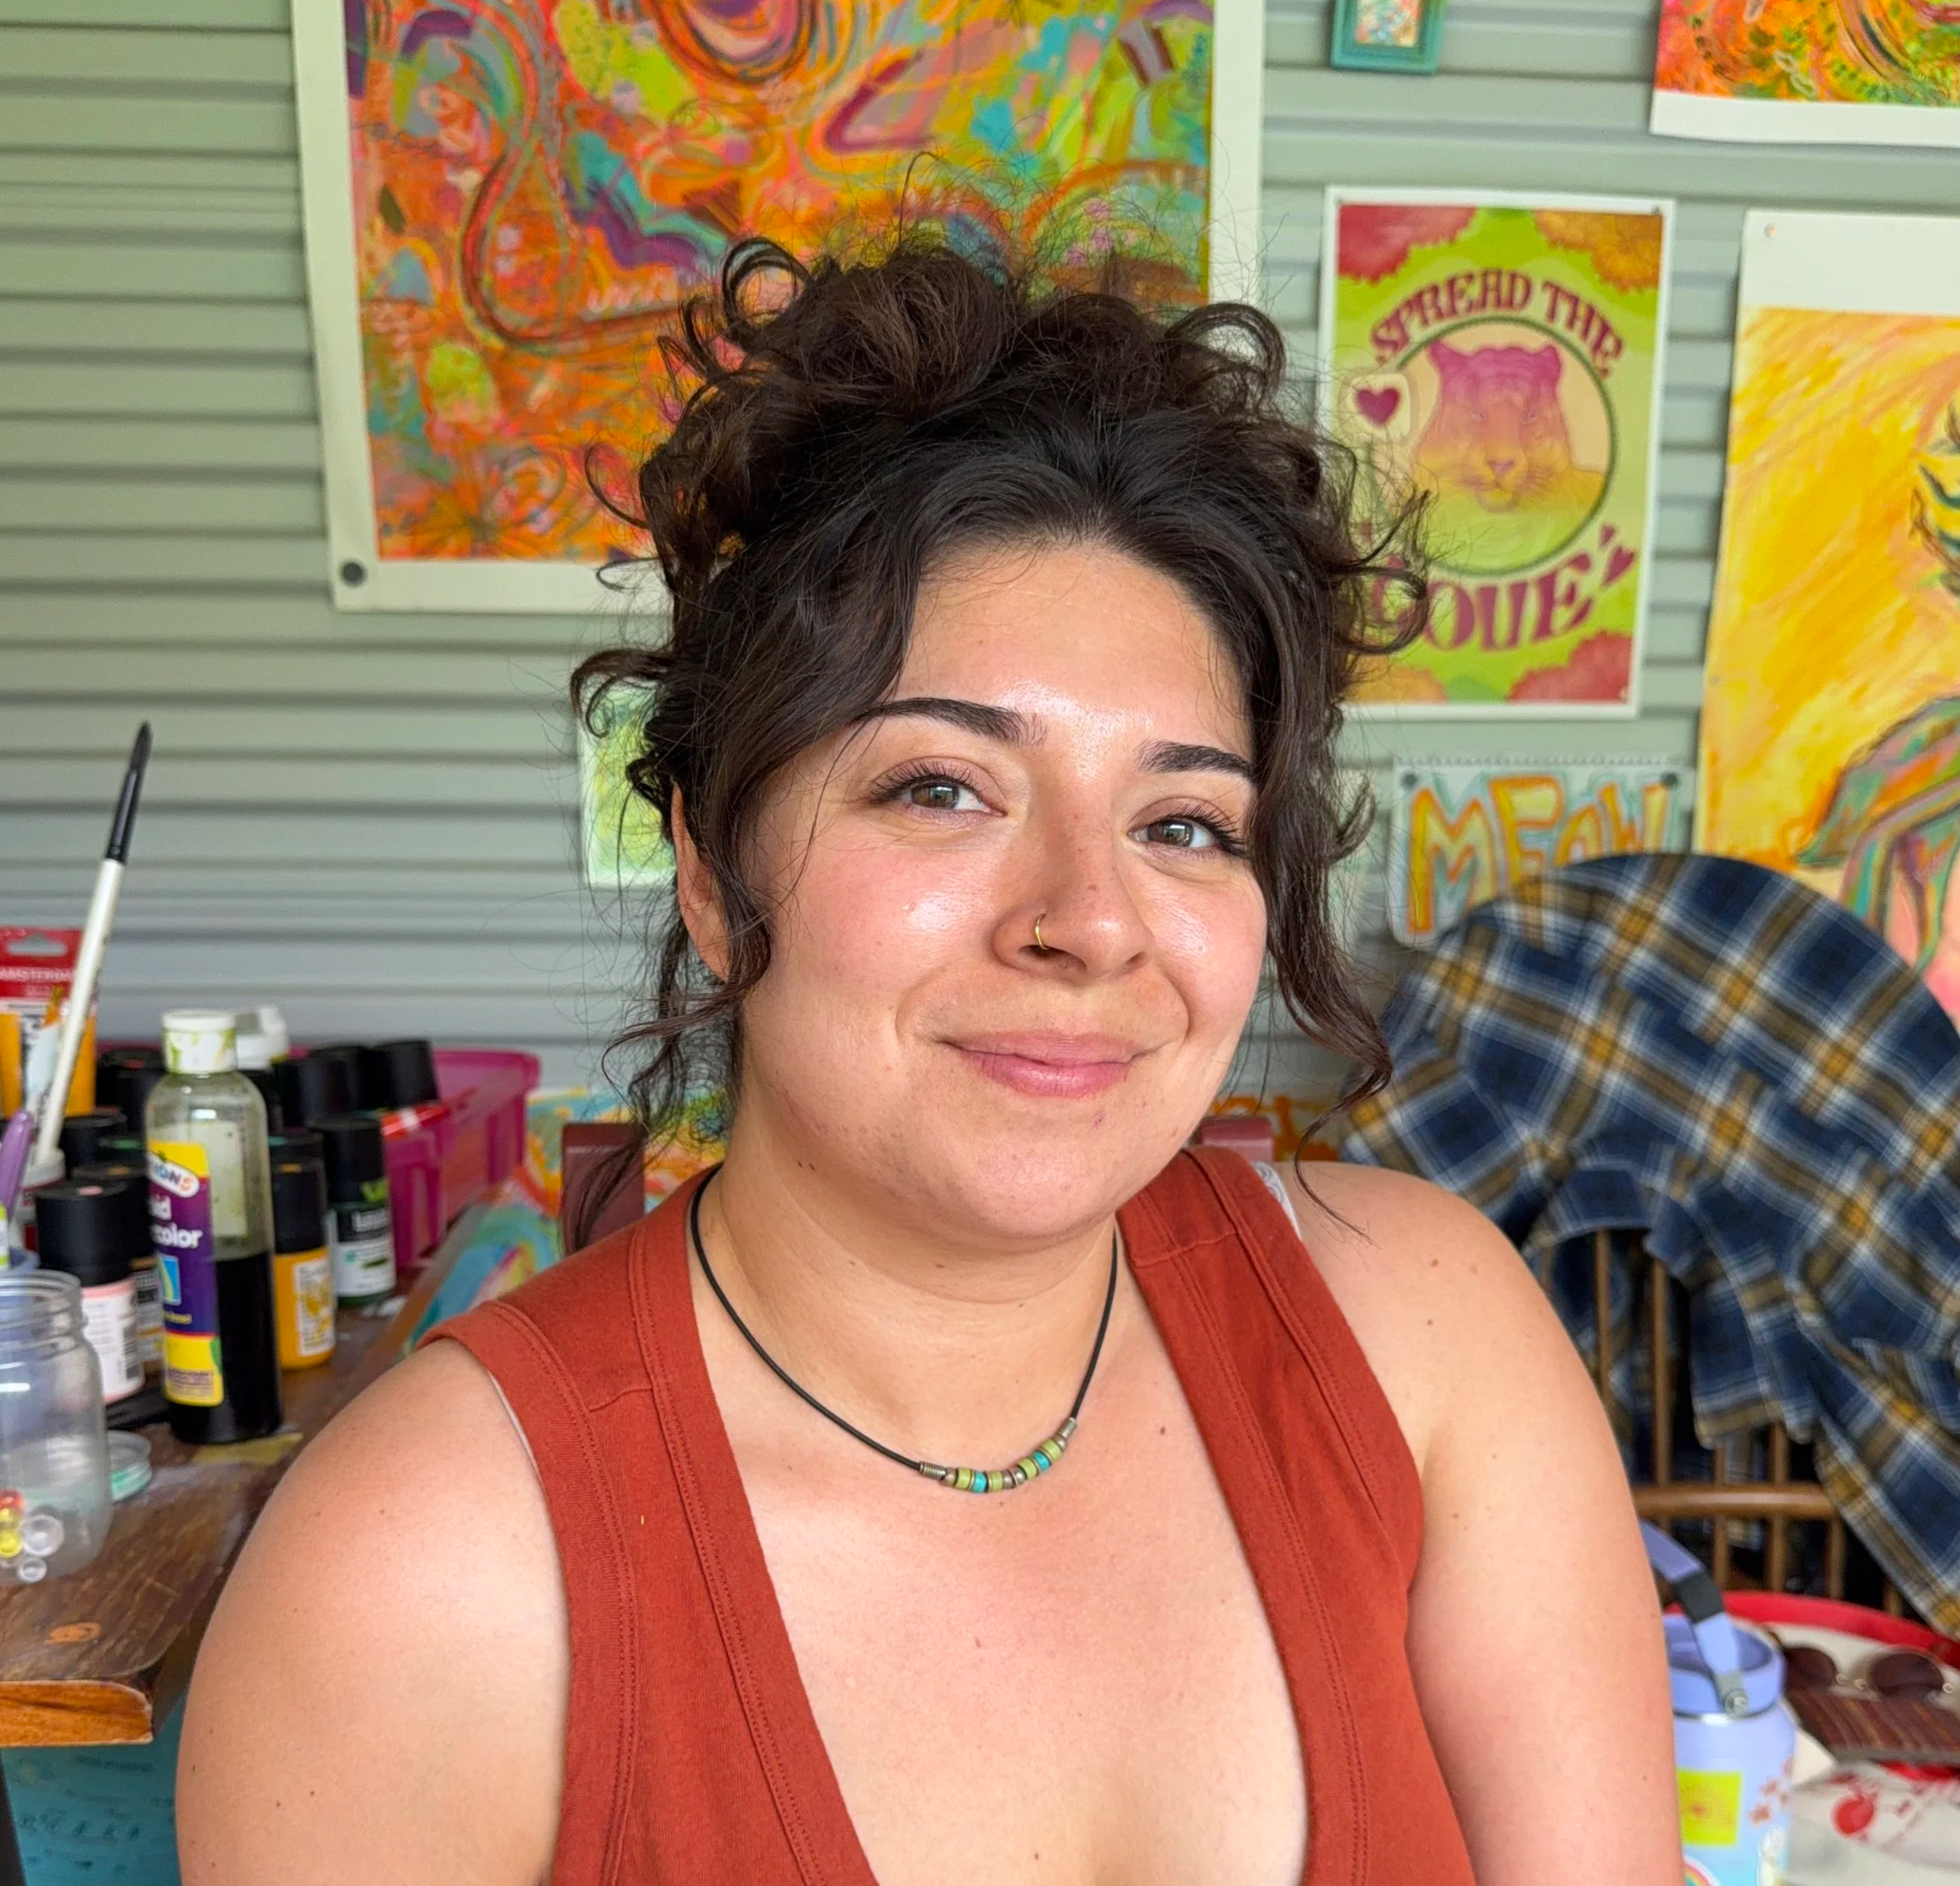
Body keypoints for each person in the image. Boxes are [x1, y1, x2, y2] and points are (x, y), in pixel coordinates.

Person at [177, 232, 1679, 1884]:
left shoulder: (1423, 1341)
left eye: (1183, 821)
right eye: (941, 789)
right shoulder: (427, 1570)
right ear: (707, 864)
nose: (1089, 922)